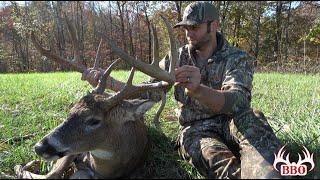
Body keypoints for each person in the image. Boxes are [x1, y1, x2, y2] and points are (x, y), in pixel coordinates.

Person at [82, 2, 283, 179]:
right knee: (215, 160)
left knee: (259, 140)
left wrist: (198, 90)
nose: (188, 34)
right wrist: (109, 83)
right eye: (185, 28)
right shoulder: (177, 58)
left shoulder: (237, 58)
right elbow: (148, 90)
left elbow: (237, 101)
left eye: (194, 27)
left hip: (233, 120)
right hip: (196, 128)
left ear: (213, 26)